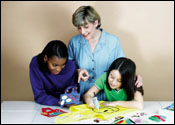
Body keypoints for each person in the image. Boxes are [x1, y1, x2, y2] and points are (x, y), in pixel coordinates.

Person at [68, 6, 143, 100]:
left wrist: (134, 76)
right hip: (84, 95)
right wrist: (78, 70)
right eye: (79, 28)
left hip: (109, 96)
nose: (82, 31)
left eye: (86, 27)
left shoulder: (113, 41)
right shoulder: (74, 42)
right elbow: (67, 67)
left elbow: (122, 66)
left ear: (95, 22)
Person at [29, 40, 78, 106]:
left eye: (63, 64)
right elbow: (39, 95)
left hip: (67, 107)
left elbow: (72, 92)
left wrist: (71, 100)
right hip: (45, 104)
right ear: (45, 58)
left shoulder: (71, 66)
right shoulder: (35, 63)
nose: (59, 69)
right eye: (55, 65)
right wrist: (61, 102)